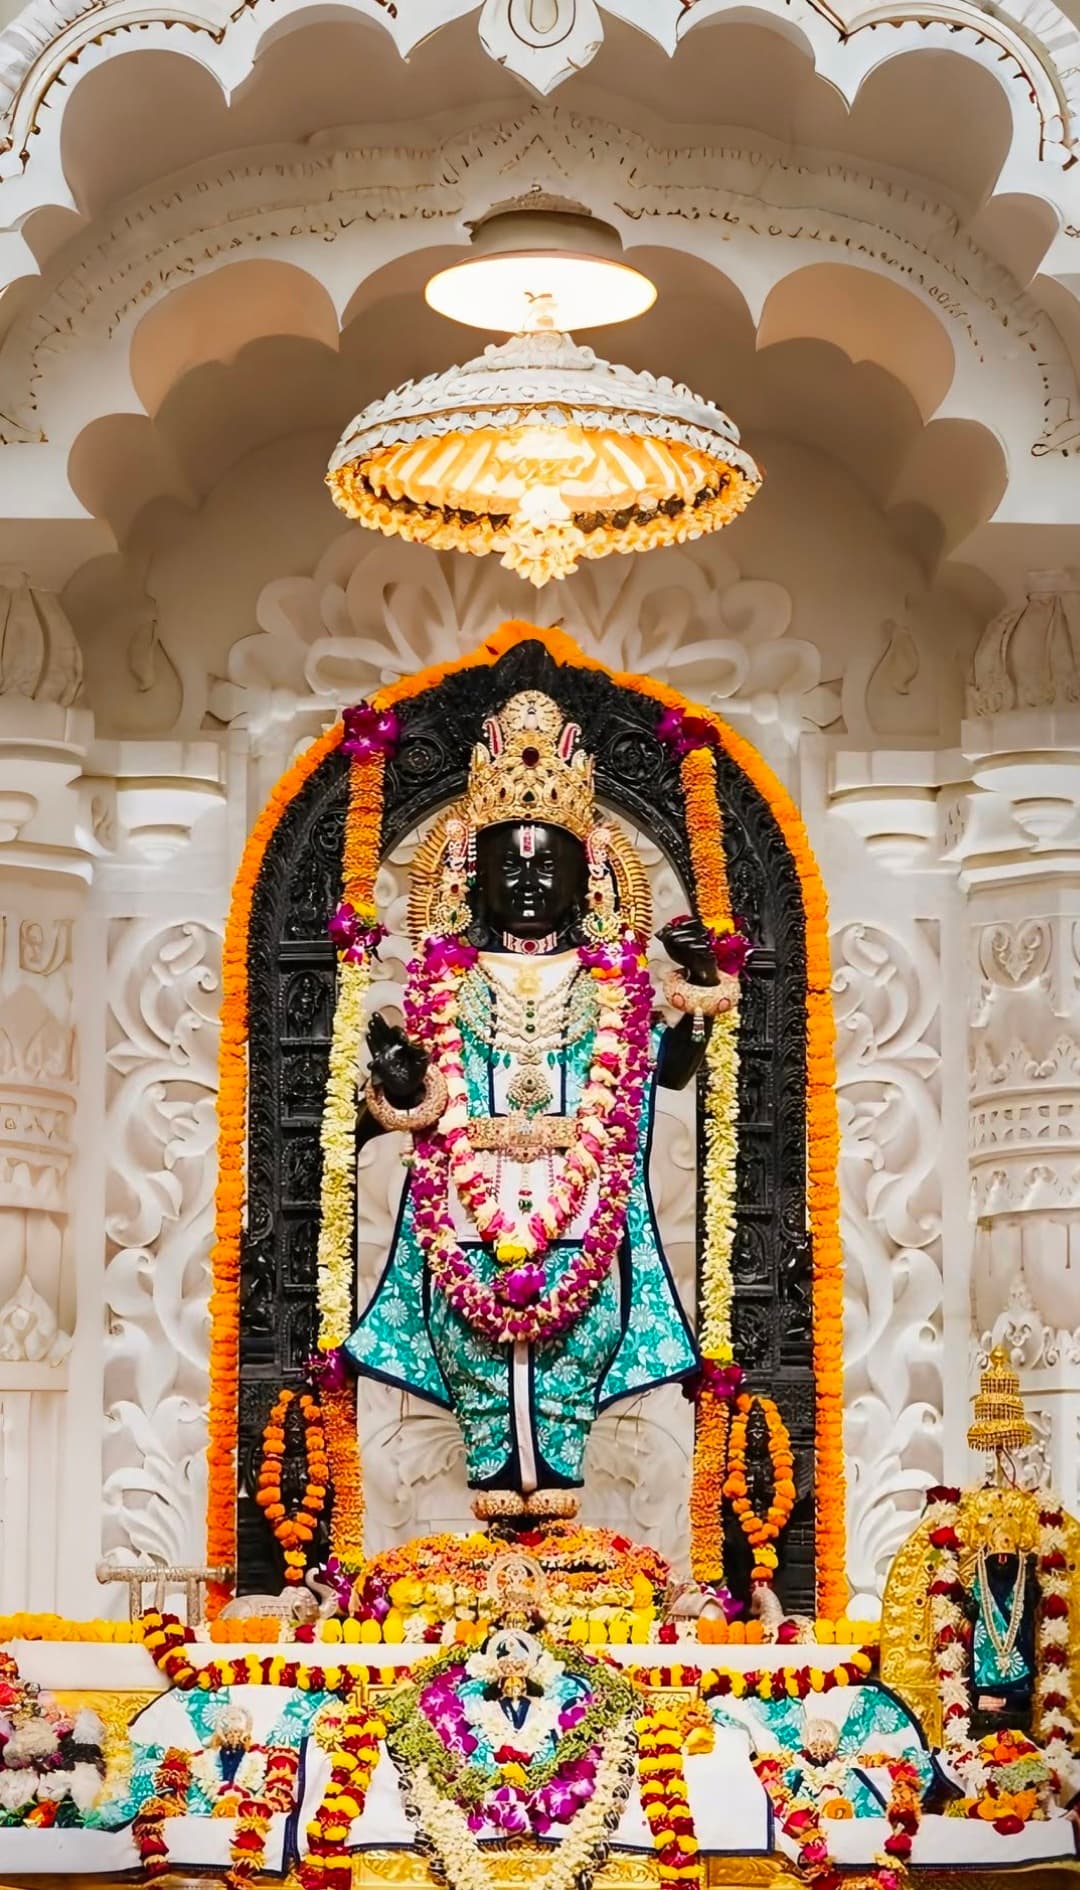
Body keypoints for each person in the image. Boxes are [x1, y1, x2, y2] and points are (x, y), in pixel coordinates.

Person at [347, 690, 732, 1506]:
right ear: (470, 876)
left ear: (585, 877)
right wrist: (401, 1084)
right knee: (487, 1412)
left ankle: (562, 1560)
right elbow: (401, 1113)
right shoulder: (443, 985)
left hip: (581, 1223)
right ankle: (495, 1562)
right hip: (465, 1226)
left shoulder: (613, 987)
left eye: (545, 863)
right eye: (507, 864)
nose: (526, 880)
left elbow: (666, 1075)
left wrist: (699, 988)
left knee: (562, 1415)